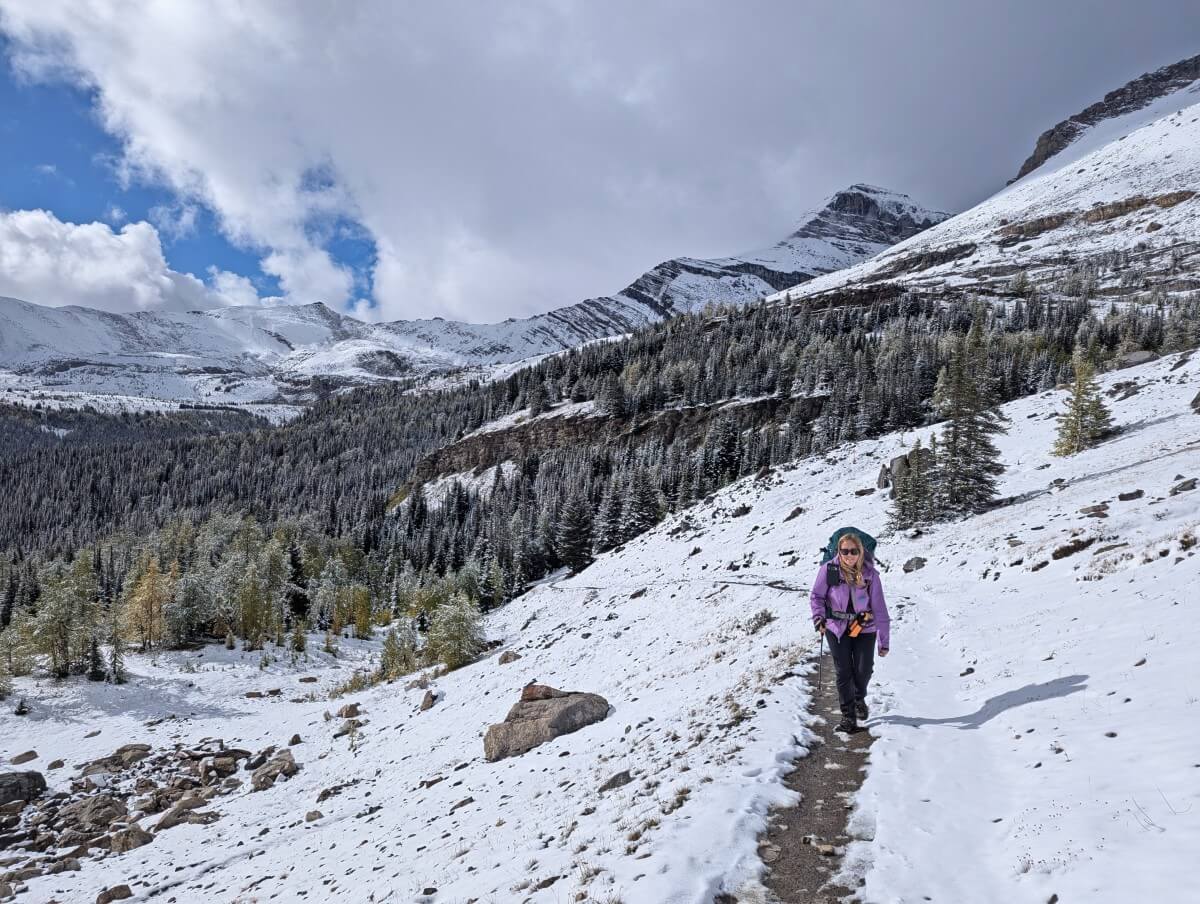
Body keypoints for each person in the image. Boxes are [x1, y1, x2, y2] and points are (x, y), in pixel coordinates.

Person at [809, 529, 890, 733]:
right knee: (843, 670)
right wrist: (818, 617)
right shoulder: (829, 570)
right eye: (845, 551)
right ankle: (848, 717)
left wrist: (884, 641)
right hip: (835, 627)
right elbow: (816, 597)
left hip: (864, 627)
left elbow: (879, 608)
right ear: (839, 551)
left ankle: (858, 698)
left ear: (861, 551)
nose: (849, 555)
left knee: (863, 669)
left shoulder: (870, 574)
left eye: (854, 551)